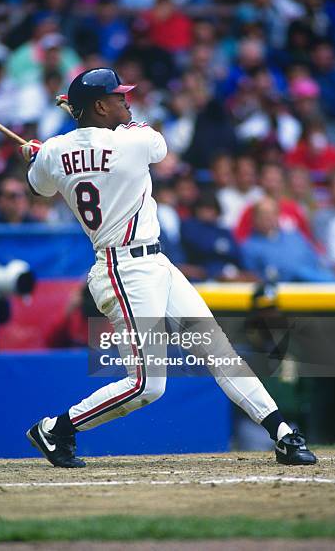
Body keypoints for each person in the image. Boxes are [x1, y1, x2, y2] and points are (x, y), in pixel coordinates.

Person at [22, 67, 316, 468]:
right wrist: (69, 134)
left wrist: (40, 153)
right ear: (99, 105)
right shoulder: (133, 139)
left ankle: (282, 432)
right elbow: (155, 144)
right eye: (118, 97)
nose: (127, 102)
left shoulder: (55, 151)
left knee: (219, 352)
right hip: (122, 269)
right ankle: (56, 429)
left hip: (154, 263)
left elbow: (40, 183)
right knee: (147, 385)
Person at [241, 197, 335, 283]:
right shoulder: (249, 247)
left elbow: (315, 259)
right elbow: (253, 278)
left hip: (318, 285)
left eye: (272, 214)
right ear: (255, 218)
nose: (269, 218)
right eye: (264, 214)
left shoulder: (294, 235)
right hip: (285, 294)